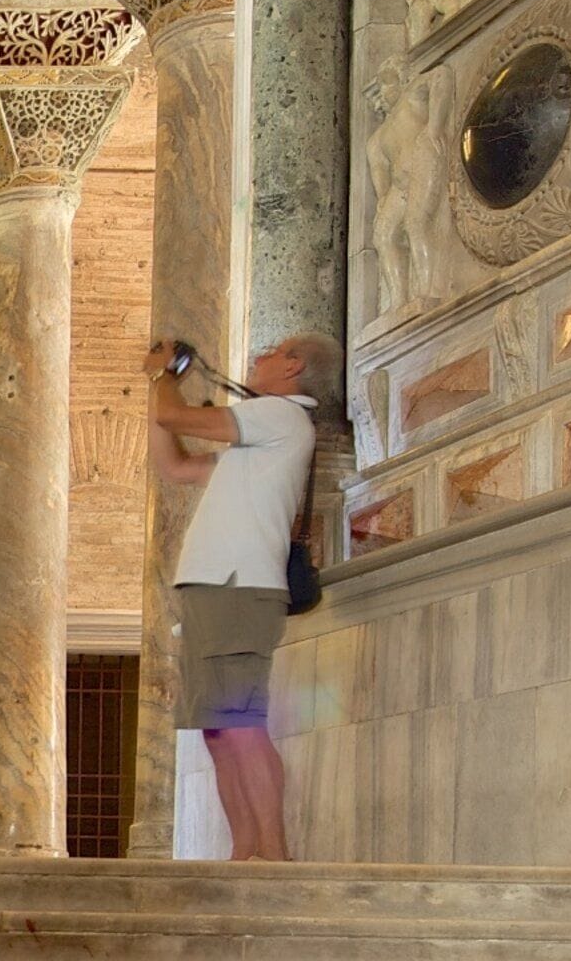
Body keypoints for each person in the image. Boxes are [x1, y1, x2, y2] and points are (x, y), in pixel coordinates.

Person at [146, 332, 343, 862]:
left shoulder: (281, 415)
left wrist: (166, 377)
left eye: (272, 351)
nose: (259, 356)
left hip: (240, 586)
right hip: (217, 586)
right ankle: (246, 852)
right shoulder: (261, 436)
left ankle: (274, 857)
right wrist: (158, 391)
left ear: (294, 366)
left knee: (239, 724)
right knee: (218, 730)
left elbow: (176, 419)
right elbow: (177, 467)